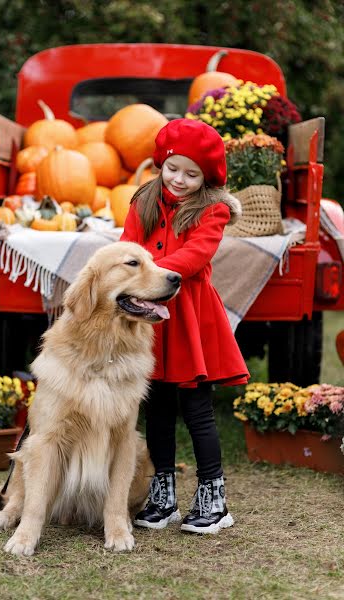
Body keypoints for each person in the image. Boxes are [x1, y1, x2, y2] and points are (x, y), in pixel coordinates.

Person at [120, 118, 250, 534]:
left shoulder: (212, 210)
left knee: (196, 411)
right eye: (173, 168)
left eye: (192, 174)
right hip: (152, 319)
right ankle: (163, 495)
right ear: (162, 161)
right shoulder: (143, 199)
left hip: (191, 318)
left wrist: (146, 273)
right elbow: (128, 245)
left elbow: (195, 257)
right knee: (156, 408)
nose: (179, 179)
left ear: (207, 177)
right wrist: (130, 275)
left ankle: (214, 499)